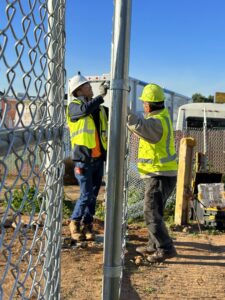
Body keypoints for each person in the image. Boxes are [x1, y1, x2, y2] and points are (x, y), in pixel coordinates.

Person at [127, 83, 178, 263]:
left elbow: (139, 125)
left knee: (150, 212)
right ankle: (153, 245)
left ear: (148, 104)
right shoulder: (161, 118)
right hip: (161, 174)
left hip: (160, 175)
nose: (143, 106)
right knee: (155, 212)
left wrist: (122, 107)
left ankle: (165, 248)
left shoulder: (157, 122)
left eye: (144, 103)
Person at [66, 72, 108, 241]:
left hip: (98, 159)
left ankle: (88, 225)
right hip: (83, 159)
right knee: (86, 195)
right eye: (87, 86)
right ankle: (74, 222)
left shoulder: (97, 109)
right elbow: (84, 110)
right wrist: (100, 96)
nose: (90, 88)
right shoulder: (74, 106)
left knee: (93, 194)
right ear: (78, 91)